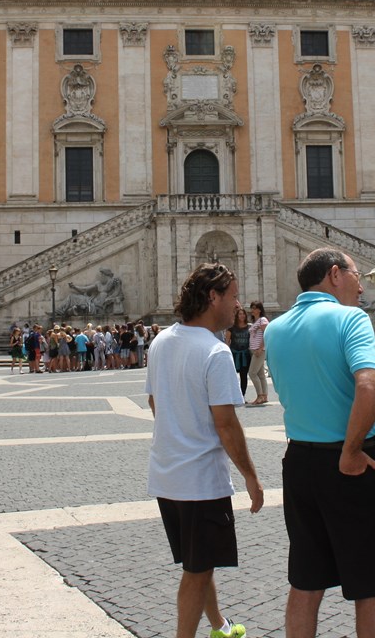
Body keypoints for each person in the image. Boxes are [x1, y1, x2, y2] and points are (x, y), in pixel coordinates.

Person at [265, 248, 375, 638]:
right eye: (357, 275)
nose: (362, 286)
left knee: (306, 581)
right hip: (353, 461)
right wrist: (350, 450)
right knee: (372, 583)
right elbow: (367, 384)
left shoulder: (274, 329)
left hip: (300, 461)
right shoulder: (351, 319)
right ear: (334, 275)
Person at [146, 262, 262, 638]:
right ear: (213, 297)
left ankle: (220, 626)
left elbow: (154, 403)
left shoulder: (160, 341)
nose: (237, 303)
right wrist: (251, 476)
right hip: (201, 481)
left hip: (166, 475)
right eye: (232, 295)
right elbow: (226, 425)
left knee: (200, 562)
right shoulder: (216, 353)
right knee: (197, 571)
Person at [246, 302, 269, 406]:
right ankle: (264, 396)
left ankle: (260, 396)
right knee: (260, 374)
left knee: (252, 373)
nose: (252, 310)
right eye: (252, 308)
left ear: (259, 309)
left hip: (260, 350)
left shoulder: (263, 320)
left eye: (254, 308)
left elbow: (266, 334)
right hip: (255, 350)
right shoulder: (256, 321)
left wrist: (260, 348)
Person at [227, 307, 250, 397]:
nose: (242, 316)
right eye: (240, 314)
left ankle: (242, 396)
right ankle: (232, 395)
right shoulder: (231, 328)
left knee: (244, 376)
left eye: (243, 314)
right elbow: (227, 341)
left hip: (245, 355)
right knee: (232, 376)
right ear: (237, 315)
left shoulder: (250, 327)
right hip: (234, 354)